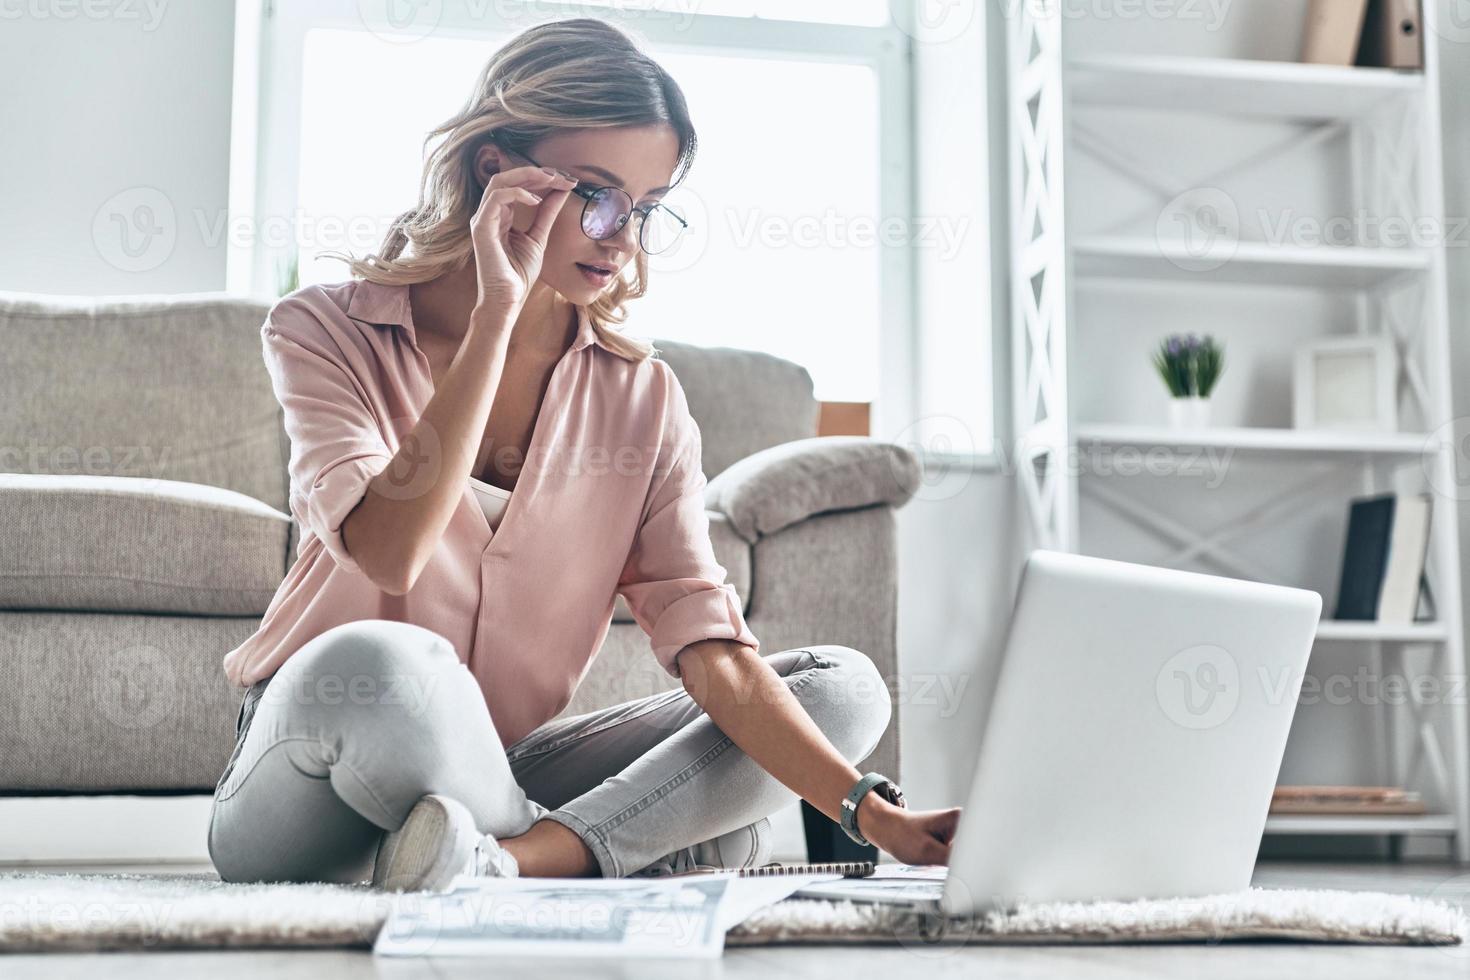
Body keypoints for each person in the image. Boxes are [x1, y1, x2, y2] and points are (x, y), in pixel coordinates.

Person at [207, 17, 960, 892]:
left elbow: (708, 645)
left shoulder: (644, 400)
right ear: (498, 171)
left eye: (643, 210)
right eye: (596, 196)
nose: (621, 238)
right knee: (381, 662)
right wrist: (498, 310)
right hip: (313, 768)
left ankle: (500, 862)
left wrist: (875, 814)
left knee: (844, 687)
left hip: (501, 770)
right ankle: (611, 849)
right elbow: (388, 550)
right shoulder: (323, 329)